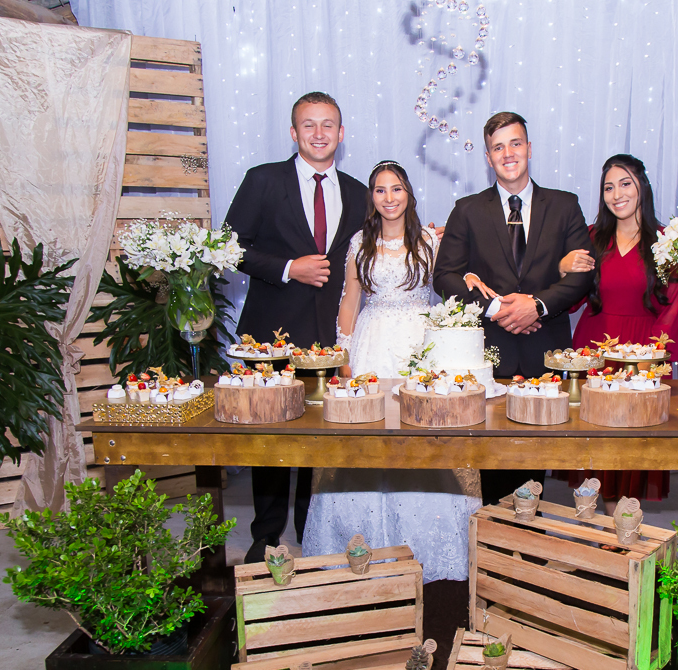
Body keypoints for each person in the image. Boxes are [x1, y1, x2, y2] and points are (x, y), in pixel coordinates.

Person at [302, 161, 482, 582]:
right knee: (364, 440)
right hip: (371, 345)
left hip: (421, 346)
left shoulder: (429, 240)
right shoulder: (359, 242)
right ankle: (361, 544)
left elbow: (450, 281)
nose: (389, 197)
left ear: (408, 193)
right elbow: (349, 300)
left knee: (425, 437)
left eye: (396, 188)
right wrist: (344, 354)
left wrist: (470, 273)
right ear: (372, 197)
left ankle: (430, 546)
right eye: (381, 190)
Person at [224, 91, 368, 563]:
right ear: (293, 132)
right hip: (270, 334)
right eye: (309, 124)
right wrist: (288, 268)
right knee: (270, 438)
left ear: (341, 134)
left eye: (328, 125)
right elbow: (229, 246)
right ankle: (265, 536)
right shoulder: (264, 180)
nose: (319, 133)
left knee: (319, 438)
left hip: (328, 337)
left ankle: (314, 533)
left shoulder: (358, 192)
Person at [433, 111, 594, 504]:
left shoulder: (565, 205)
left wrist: (537, 305)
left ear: (529, 148)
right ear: (488, 157)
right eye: (498, 147)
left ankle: (529, 532)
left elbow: (583, 274)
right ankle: (493, 533)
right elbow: (445, 276)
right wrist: (495, 309)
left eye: (515, 143)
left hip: (546, 350)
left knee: (535, 459)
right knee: (490, 459)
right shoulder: (467, 209)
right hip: (489, 354)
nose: (508, 154)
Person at [565, 153, 678, 501]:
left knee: (632, 445)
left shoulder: (667, 241)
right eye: (608, 187)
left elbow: (676, 302)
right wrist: (563, 266)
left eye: (625, 184)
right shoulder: (591, 237)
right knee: (594, 442)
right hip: (593, 349)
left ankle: (623, 518)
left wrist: (653, 358)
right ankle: (599, 517)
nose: (616, 194)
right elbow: (571, 299)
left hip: (642, 352)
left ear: (642, 187)